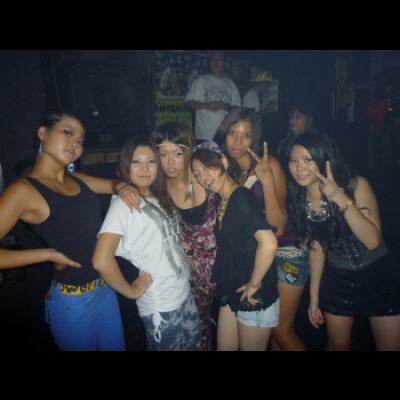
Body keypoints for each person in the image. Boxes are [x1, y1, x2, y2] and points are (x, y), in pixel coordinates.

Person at [0, 109, 141, 351]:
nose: (75, 143)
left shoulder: (74, 179)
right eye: (67, 132)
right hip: (72, 302)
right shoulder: (23, 190)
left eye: (80, 140)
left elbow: (112, 184)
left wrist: (122, 186)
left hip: (105, 287)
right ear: (42, 133)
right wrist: (46, 255)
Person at [286, 131, 400, 351]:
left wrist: (338, 196)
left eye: (307, 160)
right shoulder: (298, 198)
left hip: (379, 277)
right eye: (293, 161)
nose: (299, 168)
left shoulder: (356, 185)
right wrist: (314, 297)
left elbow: (372, 241)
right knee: (337, 345)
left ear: (324, 160)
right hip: (338, 281)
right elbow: (317, 247)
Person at [92, 137, 201, 351]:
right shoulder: (122, 205)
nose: (144, 168)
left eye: (151, 161)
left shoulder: (156, 195)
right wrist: (130, 291)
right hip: (161, 304)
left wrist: (183, 250)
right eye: (136, 162)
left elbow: (162, 237)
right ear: (126, 165)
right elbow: (101, 260)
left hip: (182, 292)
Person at [191, 143, 279, 351]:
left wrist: (254, 283)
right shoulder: (222, 199)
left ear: (223, 162)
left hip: (252, 293)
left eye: (207, 167)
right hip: (233, 286)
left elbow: (269, 243)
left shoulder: (240, 197)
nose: (203, 177)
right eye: (197, 174)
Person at [150, 123, 217, 351]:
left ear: (188, 151)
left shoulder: (205, 174)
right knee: (201, 328)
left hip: (225, 263)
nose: (170, 162)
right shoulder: (158, 189)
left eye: (177, 154)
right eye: (163, 155)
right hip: (192, 270)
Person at [185, 50, 241, 141]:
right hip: (203, 137)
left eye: (219, 59)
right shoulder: (200, 81)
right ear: (209, 63)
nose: (216, 62)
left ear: (224, 63)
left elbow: (238, 110)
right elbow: (188, 103)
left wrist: (225, 107)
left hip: (225, 137)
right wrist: (206, 105)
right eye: (213, 59)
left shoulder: (231, 85)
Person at [242, 70, 274, 153]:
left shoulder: (255, 95)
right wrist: (267, 110)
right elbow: (250, 116)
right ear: (264, 83)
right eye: (268, 85)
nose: (268, 88)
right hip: (250, 132)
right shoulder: (251, 96)